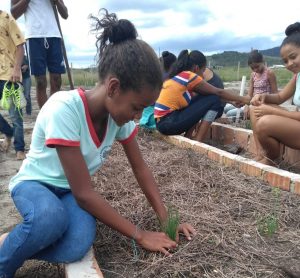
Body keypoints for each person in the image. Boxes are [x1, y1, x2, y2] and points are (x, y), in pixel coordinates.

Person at [0, 9, 195, 276]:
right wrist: (140, 234)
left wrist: (164, 217)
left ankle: (15, 242)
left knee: (78, 243)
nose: (138, 117)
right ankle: (4, 261)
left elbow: (141, 169)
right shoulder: (64, 109)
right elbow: (84, 193)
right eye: (137, 108)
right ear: (113, 88)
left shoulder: (119, 119)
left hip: (66, 193)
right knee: (49, 219)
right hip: (35, 185)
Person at [154, 49, 249, 142]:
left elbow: (201, 101)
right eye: (203, 70)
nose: (203, 76)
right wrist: (245, 99)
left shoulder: (179, 77)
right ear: (196, 68)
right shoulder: (189, 76)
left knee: (202, 100)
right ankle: (198, 140)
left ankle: (189, 137)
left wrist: (231, 101)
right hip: (168, 123)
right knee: (214, 98)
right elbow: (218, 92)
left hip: (163, 123)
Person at [249, 22, 300, 165]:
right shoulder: (297, 77)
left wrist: (271, 110)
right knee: (255, 109)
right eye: (285, 61)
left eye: (293, 57)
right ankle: (261, 154)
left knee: (265, 123)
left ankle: (271, 160)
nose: (289, 63)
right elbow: (279, 97)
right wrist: (264, 97)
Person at [10, 0, 68, 108]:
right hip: (34, 36)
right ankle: (45, 117)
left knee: (57, 80)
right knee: (40, 82)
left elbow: (65, 14)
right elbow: (14, 13)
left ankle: (54, 114)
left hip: (54, 35)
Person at [0, 10, 26, 160]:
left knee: (15, 114)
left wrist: (17, 69)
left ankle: (19, 149)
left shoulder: (7, 18)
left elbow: (20, 45)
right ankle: (8, 132)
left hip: (9, 75)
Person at [224, 50, 278, 120]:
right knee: (227, 108)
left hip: (262, 104)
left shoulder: (269, 73)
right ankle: (241, 119)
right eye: (252, 68)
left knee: (229, 114)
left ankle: (243, 123)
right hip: (251, 102)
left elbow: (275, 95)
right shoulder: (253, 75)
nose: (255, 69)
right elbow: (249, 95)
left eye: (257, 66)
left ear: (262, 62)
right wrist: (246, 105)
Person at [140, 50, 177, 129]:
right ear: (174, 66)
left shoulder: (152, 77)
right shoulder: (170, 80)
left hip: (144, 117)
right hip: (156, 120)